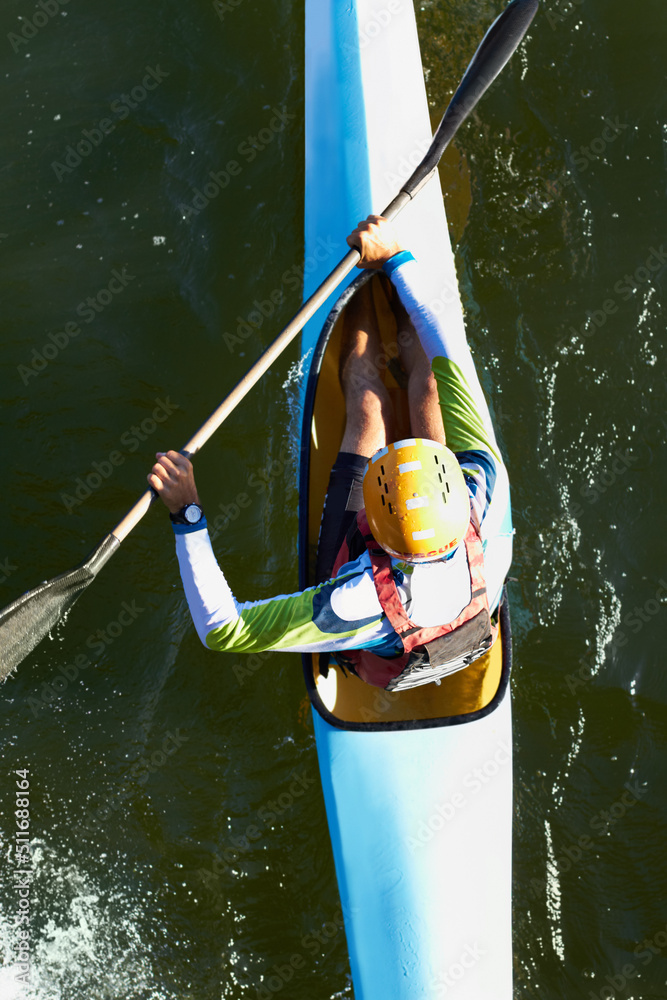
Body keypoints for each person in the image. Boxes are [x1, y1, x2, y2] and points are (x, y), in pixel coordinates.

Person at [148, 216, 512, 692]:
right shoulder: (486, 484)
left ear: (374, 528)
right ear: (457, 491)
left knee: (368, 407)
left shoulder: (354, 601)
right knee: (431, 385)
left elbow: (223, 630)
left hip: (378, 642)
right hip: (448, 603)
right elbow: (449, 352)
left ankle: (360, 288)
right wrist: (397, 259)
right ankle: (384, 279)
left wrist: (187, 512)